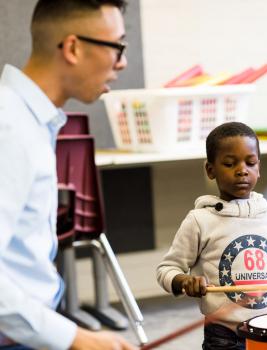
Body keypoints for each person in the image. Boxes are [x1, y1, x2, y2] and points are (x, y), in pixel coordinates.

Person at [0, 0, 136, 349]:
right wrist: (75, 338)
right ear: (73, 47)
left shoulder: (30, 120)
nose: (121, 62)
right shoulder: (8, 126)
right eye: (116, 46)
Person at [156, 122, 267, 350]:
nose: (242, 170)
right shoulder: (199, 220)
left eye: (250, 163)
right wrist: (184, 281)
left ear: (258, 168)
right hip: (226, 335)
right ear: (210, 170)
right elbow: (166, 270)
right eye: (230, 164)